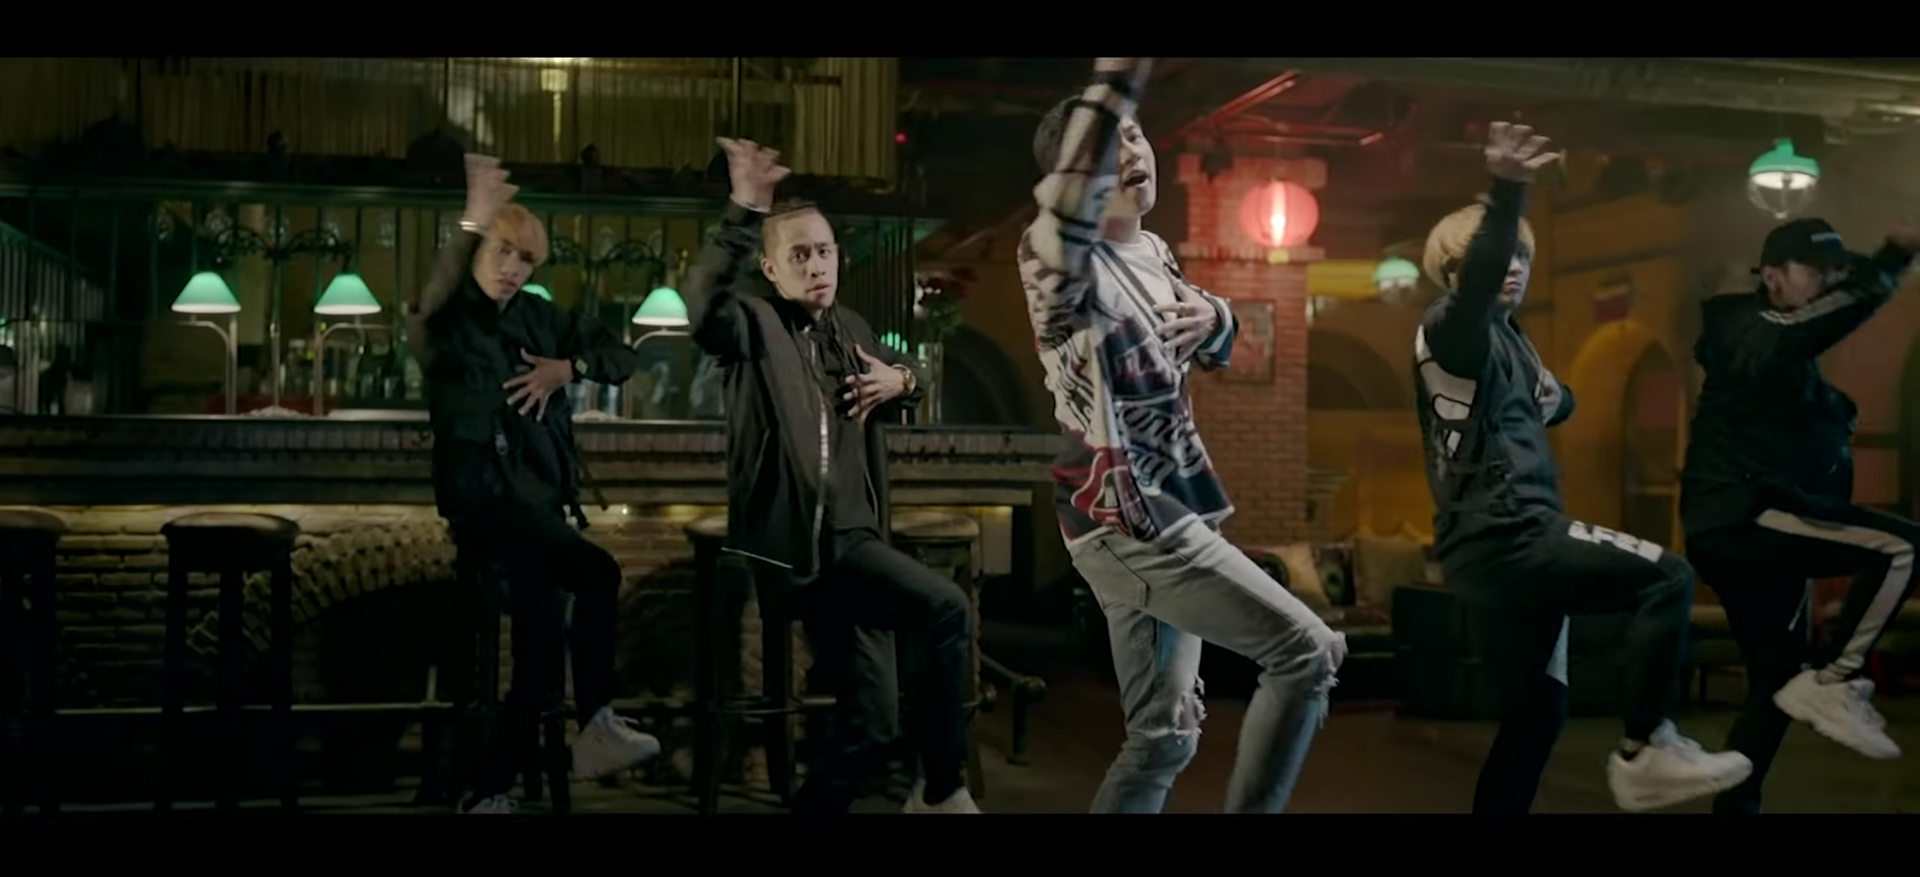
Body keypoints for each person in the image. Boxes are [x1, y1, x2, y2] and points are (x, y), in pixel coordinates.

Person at [1019, 56, 1344, 815]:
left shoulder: (1156, 252)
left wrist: (1218, 317)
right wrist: (1111, 89)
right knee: (1309, 651)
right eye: (1107, 149)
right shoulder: (1055, 261)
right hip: (1125, 515)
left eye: (1135, 137)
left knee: (1163, 737)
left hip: (1163, 507)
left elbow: (1216, 328)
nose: (1131, 154)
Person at [1412, 121, 1753, 814]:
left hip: (1485, 549)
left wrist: (1559, 396)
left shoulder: (1506, 342)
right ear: (1454, 269)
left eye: (1522, 256)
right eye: (1498, 256)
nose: (1512, 265)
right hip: (1509, 532)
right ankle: (1645, 749)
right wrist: (1509, 191)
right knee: (1669, 576)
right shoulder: (1455, 325)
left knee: (1536, 716)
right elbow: (1484, 287)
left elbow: (1552, 400)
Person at [683, 136, 978, 815]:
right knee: (946, 609)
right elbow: (701, 304)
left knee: (870, 724)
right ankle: (941, 787)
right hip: (800, 550)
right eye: (799, 255)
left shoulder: (851, 327)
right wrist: (743, 209)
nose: (816, 265)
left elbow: (914, 372)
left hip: (855, 539)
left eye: (824, 251)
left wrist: (902, 379)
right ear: (771, 268)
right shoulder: (754, 325)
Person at [409, 153, 661, 815]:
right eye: (501, 250)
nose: (513, 268)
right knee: (599, 572)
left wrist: (567, 369)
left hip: (538, 506)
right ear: (476, 250)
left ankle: (490, 793)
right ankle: (598, 721)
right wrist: (473, 218)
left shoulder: (541, 318)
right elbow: (435, 302)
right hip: (482, 503)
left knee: (541, 660)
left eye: (525, 259)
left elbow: (622, 356)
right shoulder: (453, 322)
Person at [1681, 216, 1920, 815]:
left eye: (1836, 273)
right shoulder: (1746, 325)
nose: (1828, 284)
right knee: (1903, 548)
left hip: (1754, 524)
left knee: (1776, 680)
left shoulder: (1787, 358)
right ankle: (1838, 679)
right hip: (1748, 515)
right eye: (1817, 272)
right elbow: (1809, 326)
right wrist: (1892, 258)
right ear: (1772, 277)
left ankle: (1736, 807)